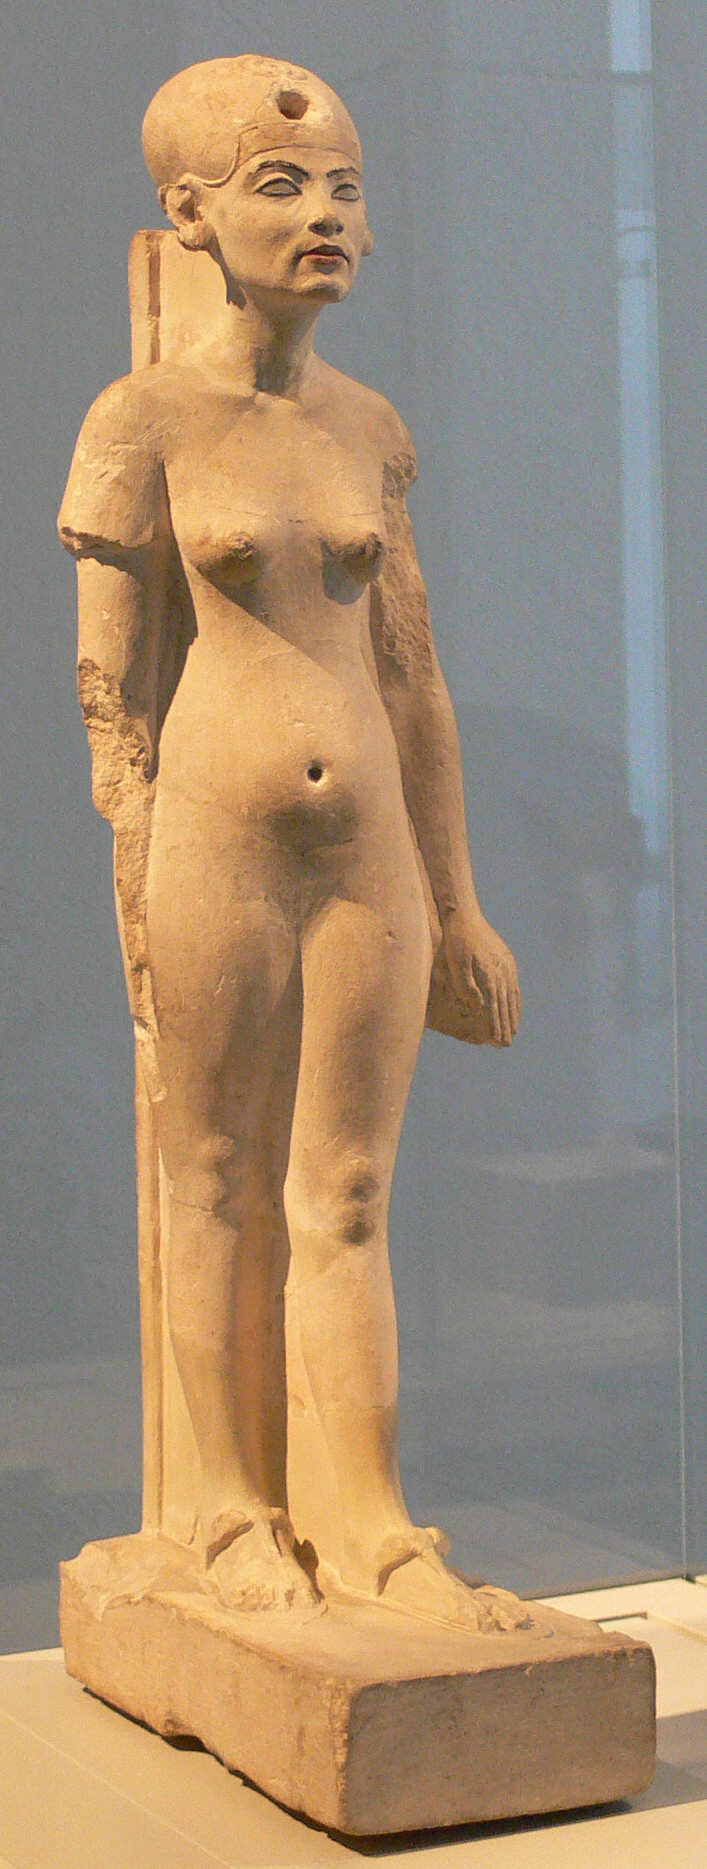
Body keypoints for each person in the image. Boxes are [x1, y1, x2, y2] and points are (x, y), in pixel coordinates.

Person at [59, 55, 522, 1629]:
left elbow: (415, 678)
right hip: (217, 842)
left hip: (368, 850)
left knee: (350, 1189)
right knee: (211, 1174)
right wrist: (135, 874)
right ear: (189, 213)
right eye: (282, 186)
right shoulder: (143, 420)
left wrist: (458, 897)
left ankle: (376, 1529)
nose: (326, 215)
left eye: (343, 189)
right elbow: (110, 695)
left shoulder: (368, 427)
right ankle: (234, 1512)